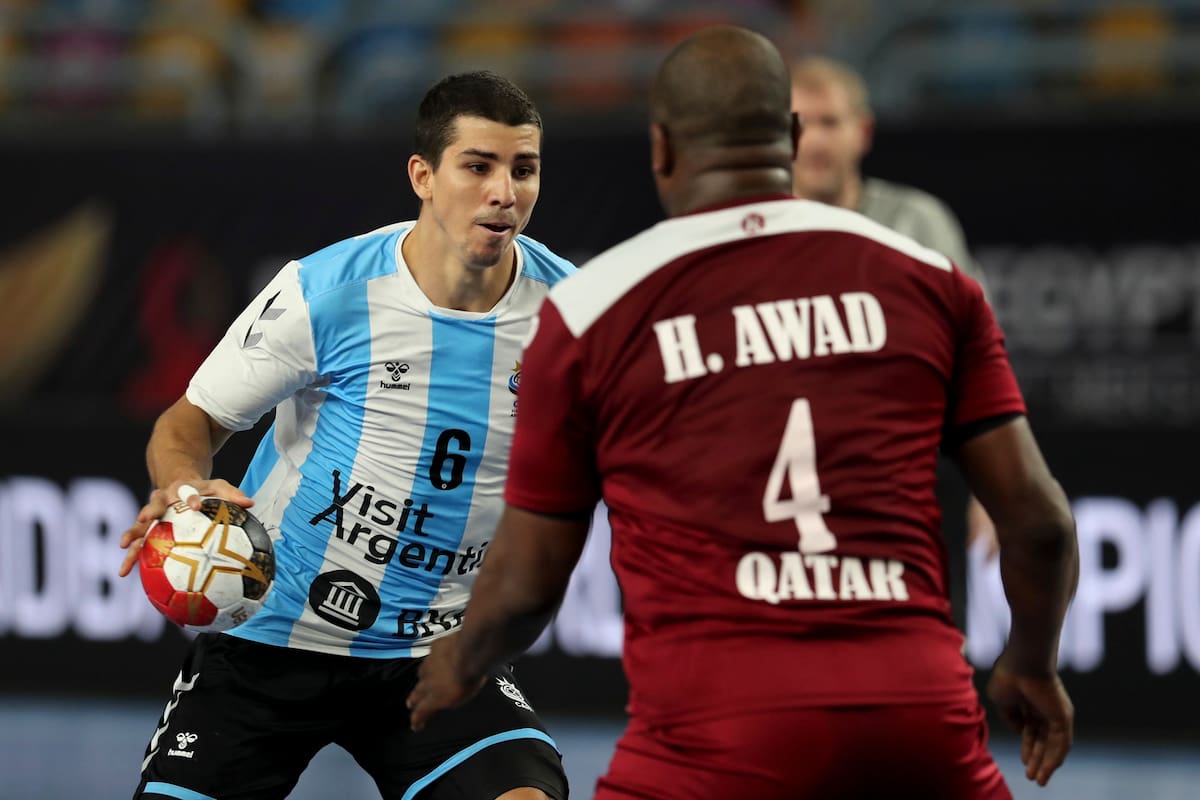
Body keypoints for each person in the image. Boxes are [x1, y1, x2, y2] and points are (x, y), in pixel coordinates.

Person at [406, 26, 1078, 800]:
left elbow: (528, 585)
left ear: (660, 149)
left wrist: (458, 663)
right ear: (790, 138)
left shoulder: (593, 307)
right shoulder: (928, 278)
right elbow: (1041, 525)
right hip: (916, 719)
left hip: (711, 737)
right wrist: (1032, 663)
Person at [117, 70, 573, 800]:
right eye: (478, 166)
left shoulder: (573, 315)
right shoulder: (324, 292)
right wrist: (185, 488)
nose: (505, 191)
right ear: (423, 176)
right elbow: (190, 420)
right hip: (267, 639)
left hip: (435, 655)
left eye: (524, 169)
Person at [790, 54, 1000, 558]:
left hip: (911, 487)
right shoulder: (751, 231)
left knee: (934, 637)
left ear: (862, 131)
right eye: (799, 124)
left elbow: (978, 355)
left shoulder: (919, 223)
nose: (816, 139)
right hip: (787, 491)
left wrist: (995, 485)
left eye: (830, 122)